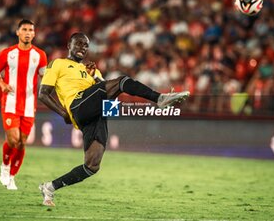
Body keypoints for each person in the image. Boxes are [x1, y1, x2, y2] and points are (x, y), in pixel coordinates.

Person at [38, 32, 189, 206]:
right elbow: (43, 94)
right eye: (78, 44)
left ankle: (49, 187)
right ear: (69, 45)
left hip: (94, 115)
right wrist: (64, 113)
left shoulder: (91, 70)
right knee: (122, 80)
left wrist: (95, 76)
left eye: (86, 45)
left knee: (92, 166)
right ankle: (160, 98)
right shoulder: (58, 64)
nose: (82, 48)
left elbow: (108, 95)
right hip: (77, 105)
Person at [0, 19, 47, 190]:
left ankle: (12, 177)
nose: (28, 32)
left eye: (31, 29)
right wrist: (2, 85)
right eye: (24, 29)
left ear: (34, 33)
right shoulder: (7, 53)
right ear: (17, 32)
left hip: (30, 104)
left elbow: (44, 77)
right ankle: (5, 166)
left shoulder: (40, 55)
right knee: (13, 139)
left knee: (22, 143)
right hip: (10, 102)